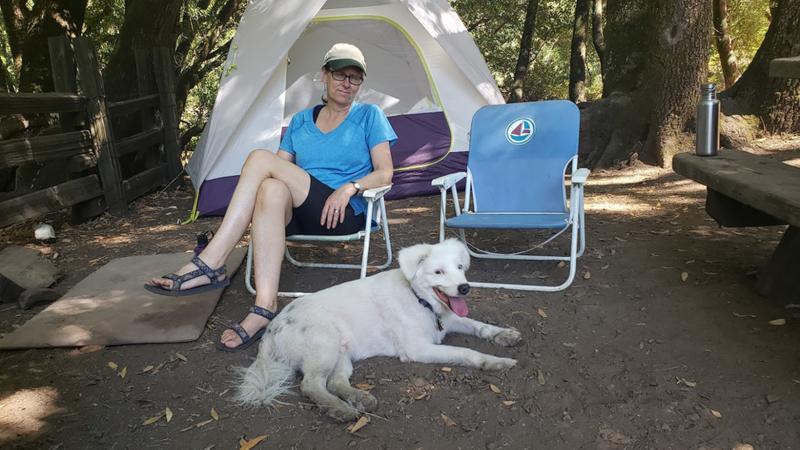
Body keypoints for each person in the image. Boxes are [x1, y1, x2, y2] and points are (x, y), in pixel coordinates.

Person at [145, 43, 397, 351]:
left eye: (355, 77)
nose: (347, 83)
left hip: (341, 213)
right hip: (300, 213)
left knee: (259, 159)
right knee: (269, 187)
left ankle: (212, 261)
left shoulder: (369, 116)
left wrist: (350, 187)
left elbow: (385, 173)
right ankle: (264, 307)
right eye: (339, 74)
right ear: (324, 75)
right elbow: (276, 170)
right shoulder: (301, 121)